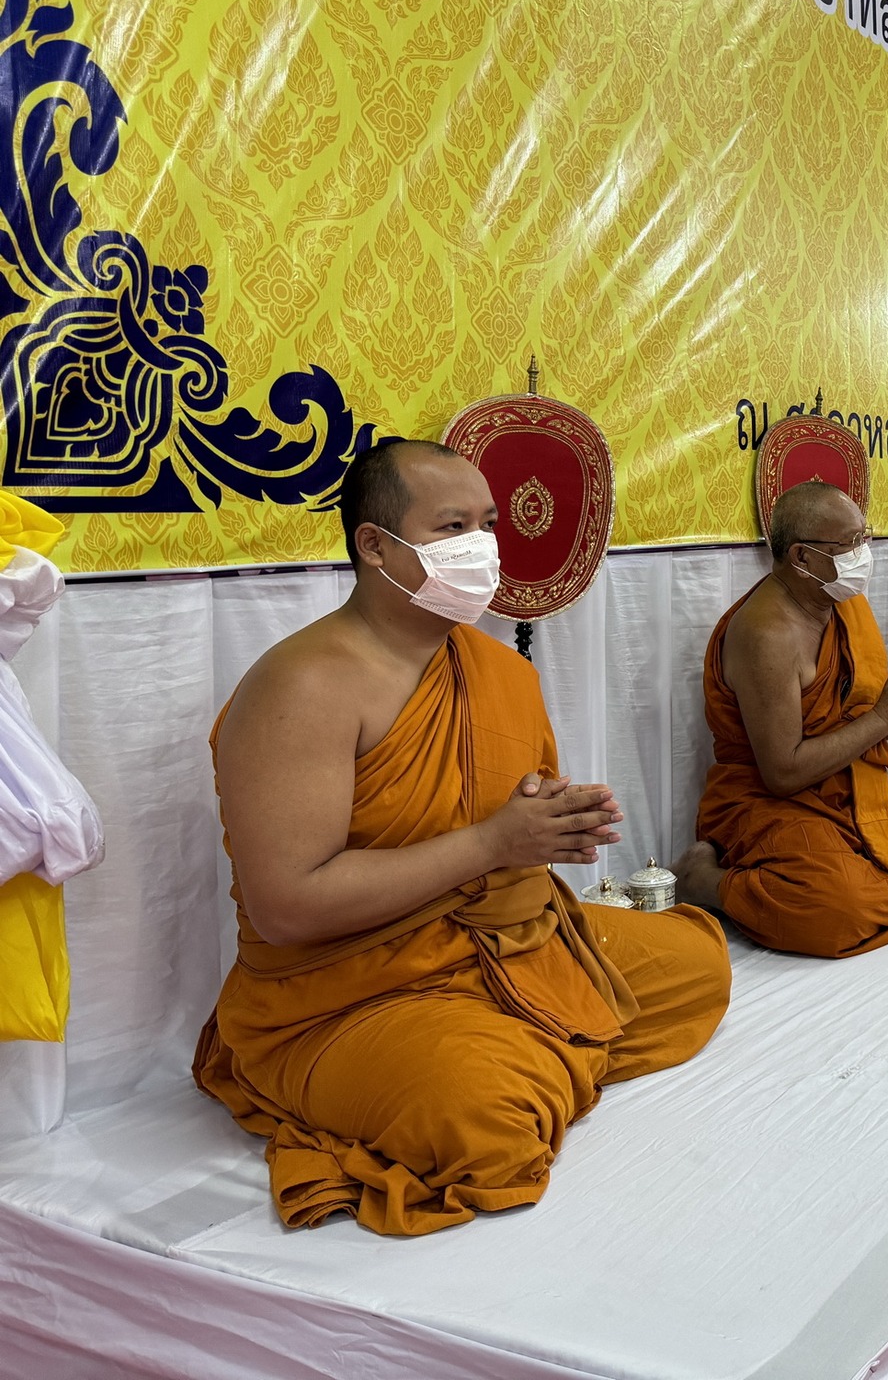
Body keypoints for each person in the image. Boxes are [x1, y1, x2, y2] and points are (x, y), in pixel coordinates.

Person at [195, 439, 732, 1237]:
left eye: (487, 524)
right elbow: (287, 907)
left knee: (700, 964)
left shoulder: (496, 668)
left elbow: (497, 809)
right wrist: (493, 845)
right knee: (487, 1125)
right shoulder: (304, 684)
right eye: (453, 527)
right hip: (353, 991)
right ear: (374, 545)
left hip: (513, 944)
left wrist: (551, 821)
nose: (482, 548)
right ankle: (500, 1058)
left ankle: (524, 1044)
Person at [687, 482, 888, 957]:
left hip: (848, 793)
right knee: (836, 906)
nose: (863, 554)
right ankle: (705, 881)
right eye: (850, 544)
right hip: (773, 803)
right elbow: (782, 772)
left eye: (865, 538)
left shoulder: (840, 602)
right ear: (803, 556)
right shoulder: (766, 633)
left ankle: (870, 871)